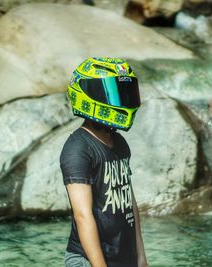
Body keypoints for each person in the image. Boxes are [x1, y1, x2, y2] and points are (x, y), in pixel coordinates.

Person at [60, 57, 148, 267]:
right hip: (89, 260)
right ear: (89, 96)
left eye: (124, 93)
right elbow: (83, 216)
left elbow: (129, 202)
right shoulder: (78, 149)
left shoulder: (119, 142)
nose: (122, 100)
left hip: (123, 256)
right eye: (113, 94)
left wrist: (141, 257)